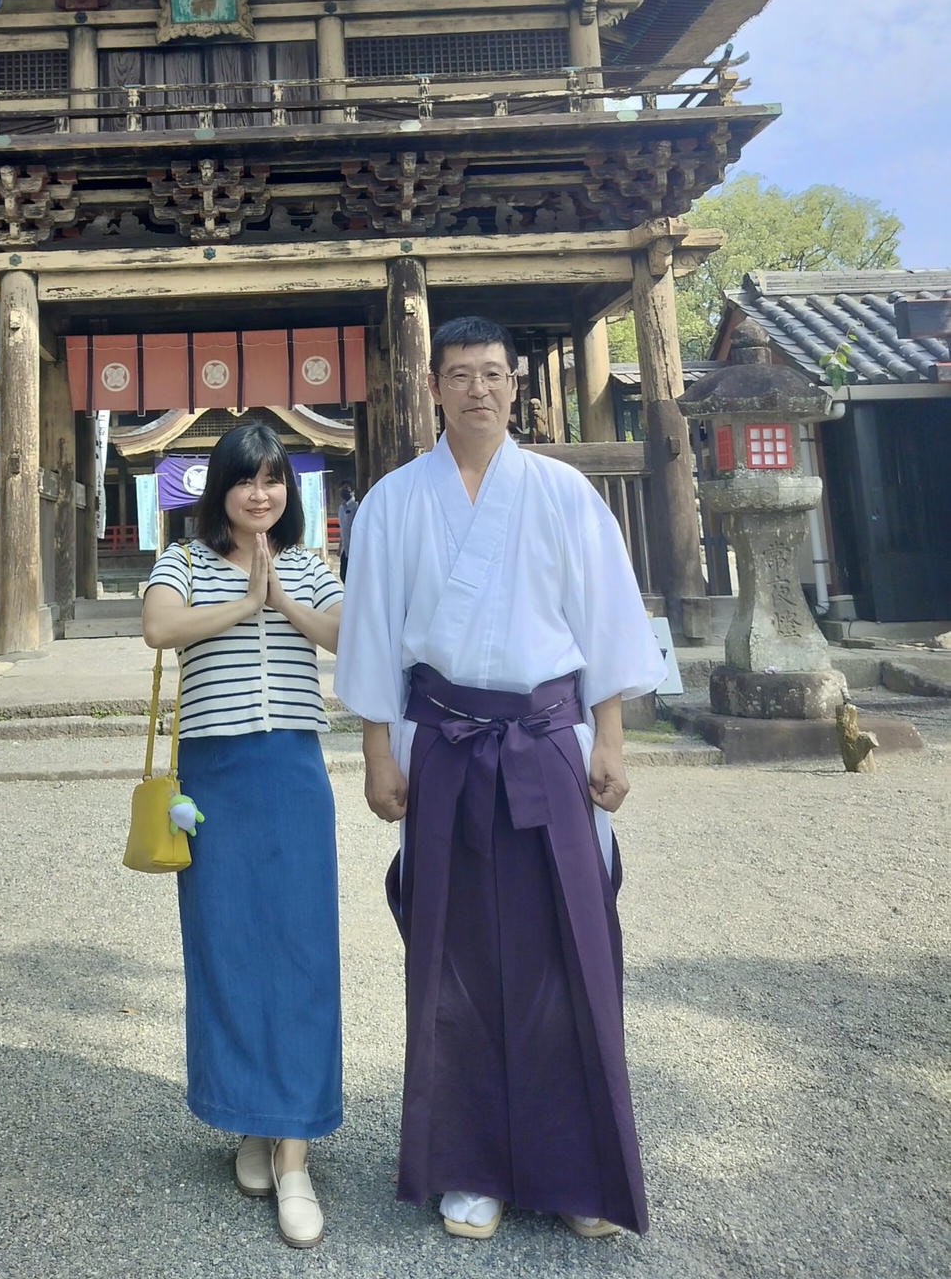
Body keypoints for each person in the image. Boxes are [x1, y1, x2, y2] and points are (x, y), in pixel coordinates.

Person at [334, 316, 666, 1243]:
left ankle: (577, 1172)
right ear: (431, 389)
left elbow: (604, 623)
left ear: (515, 385)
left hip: (547, 738)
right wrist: (375, 751)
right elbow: (370, 638)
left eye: (493, 373)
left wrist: (613, 739)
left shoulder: (560, 493)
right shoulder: (398, 502)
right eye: (459, 374)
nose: (478, 388)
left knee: (571, 948)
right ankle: (467, 1166)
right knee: (453, 954)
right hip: (442, 740)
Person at [142, 421, 344, 1249]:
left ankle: (292, 1155)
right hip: (215, 778)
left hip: (292, 773)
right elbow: (159, 630)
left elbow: (345, 634)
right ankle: (251, 1122)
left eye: (273, 481)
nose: (260, 494)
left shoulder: (307, 562)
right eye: (245, 480)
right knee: (229, 948)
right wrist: (242, 606)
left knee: (300, 951)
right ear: (218, 488)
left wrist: (282, 600)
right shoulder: (182, 563)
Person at [336, 483, 358, 580]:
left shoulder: (357, 506)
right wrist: (340, 546)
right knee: (343, 575)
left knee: (353, 576)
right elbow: (343, 529)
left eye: (346, 490)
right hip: (345, 548)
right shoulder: (341, 508)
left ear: (352, 492)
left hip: (355, 548)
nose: (343, 493)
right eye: (342, 490)